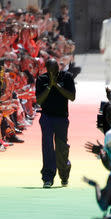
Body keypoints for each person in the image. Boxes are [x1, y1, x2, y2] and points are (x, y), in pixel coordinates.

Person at [35, 58, 75, 188]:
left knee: (61, 147)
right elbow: (39, 101)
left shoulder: (67, 77)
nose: (54, 72)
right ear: (46, 69)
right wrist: (50, 86)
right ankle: (48, 177)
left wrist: (57, 85)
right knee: (47, 147)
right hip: (46, 117)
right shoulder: (42, 79)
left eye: (56, 69)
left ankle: (64, 174)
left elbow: (72, 97)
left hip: (62, 118)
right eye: (51, 70)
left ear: (59, 67)